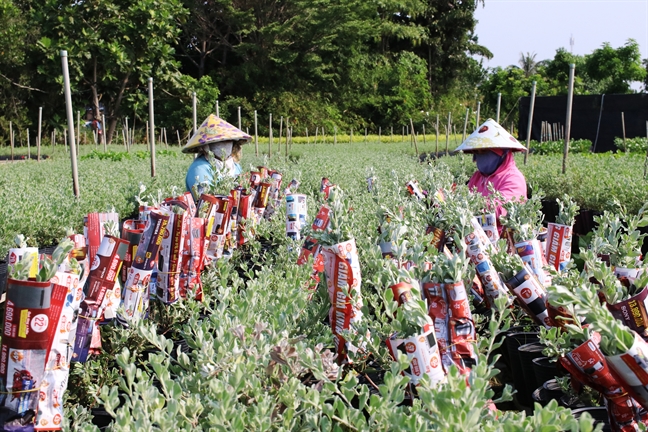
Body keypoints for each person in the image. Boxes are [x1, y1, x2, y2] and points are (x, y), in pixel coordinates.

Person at [455, 119, 528, 229]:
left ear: (502, 153)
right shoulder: (478, 177)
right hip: (476, 238)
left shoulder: (513, 178)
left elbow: (503, 209)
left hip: (502, 241)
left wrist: (471, 203)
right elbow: (465, 195)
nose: (480, 157)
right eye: (477, 152)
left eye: (484, 152)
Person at [183, 114, 251, 199]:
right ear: (206, 146)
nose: (224, 145)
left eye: (228, 141)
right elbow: (205, 202)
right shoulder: (199, 168)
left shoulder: (236, 167)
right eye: (218, 142)